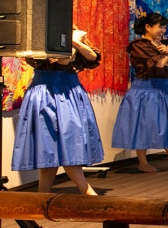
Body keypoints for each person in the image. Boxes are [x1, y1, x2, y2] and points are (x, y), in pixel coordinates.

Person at [11, 27, 103, 194]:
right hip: (46, 94)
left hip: (70, 92)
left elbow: (92, 56)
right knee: (48, 145)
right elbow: (64, 60)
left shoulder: (69, 35)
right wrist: (74, 41)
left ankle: (45, 194)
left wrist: (73, 41)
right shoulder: (37, 39)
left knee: (71, 140)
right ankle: (83, 192)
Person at [112, 13, 168, 172]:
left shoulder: (165, 44)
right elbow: (160, 65)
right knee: (143, 126)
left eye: (165, 27)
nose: (163, 30)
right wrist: (167, 53)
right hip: (144, 90)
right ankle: (143, 163)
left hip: (162, 90)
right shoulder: (139, 45)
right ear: (148, 27)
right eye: (160, 27)